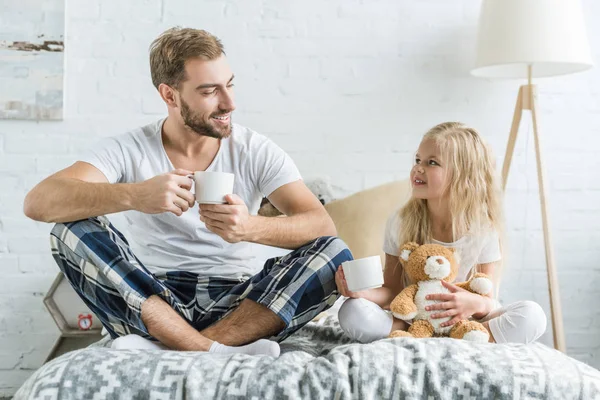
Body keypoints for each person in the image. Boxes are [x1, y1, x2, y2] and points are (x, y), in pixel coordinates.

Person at [24, 27, 352, 357]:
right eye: (210, 91)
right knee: (69, 230)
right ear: (170, 96)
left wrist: (249, 227)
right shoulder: (130, 148)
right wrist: (135, 195)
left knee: (335, 252)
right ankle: (209, 348)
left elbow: (320, 226)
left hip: (239, 303)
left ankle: (173, 347)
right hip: (152, 302)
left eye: (230, 84)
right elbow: (39, 202)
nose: (229, 103)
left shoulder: (254, 149)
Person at [336, 122, 546, 344]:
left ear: (462, 176)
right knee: (352, 311)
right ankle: (449, 340)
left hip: (468, 320)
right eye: (418, 160)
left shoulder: (483, 229)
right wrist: (361, 294)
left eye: (432, 163)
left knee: (533, 315)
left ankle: (460, 336)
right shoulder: (400, 221)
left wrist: (472, 303)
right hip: (415, 321)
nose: (418, 168)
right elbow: (393, 290)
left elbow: (487, 300)